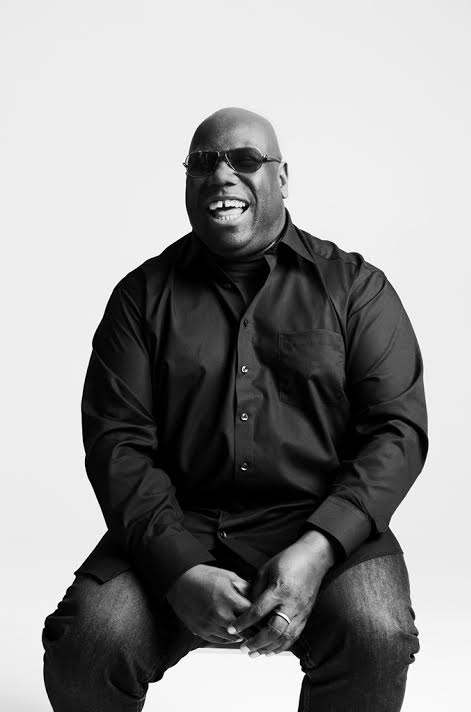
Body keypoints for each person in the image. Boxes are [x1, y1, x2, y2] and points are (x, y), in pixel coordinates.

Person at [41, 107, 428, 711]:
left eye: (245, 160)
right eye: (203, 163)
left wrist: (319, 547)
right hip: (177, 520)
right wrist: (179, 569)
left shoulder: (356, 288)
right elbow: (117, 443)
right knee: (88, 642)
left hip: (318, 520)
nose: (221, 175)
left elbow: (396, 432)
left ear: (283, 177)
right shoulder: (141, 298)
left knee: (377, 634)